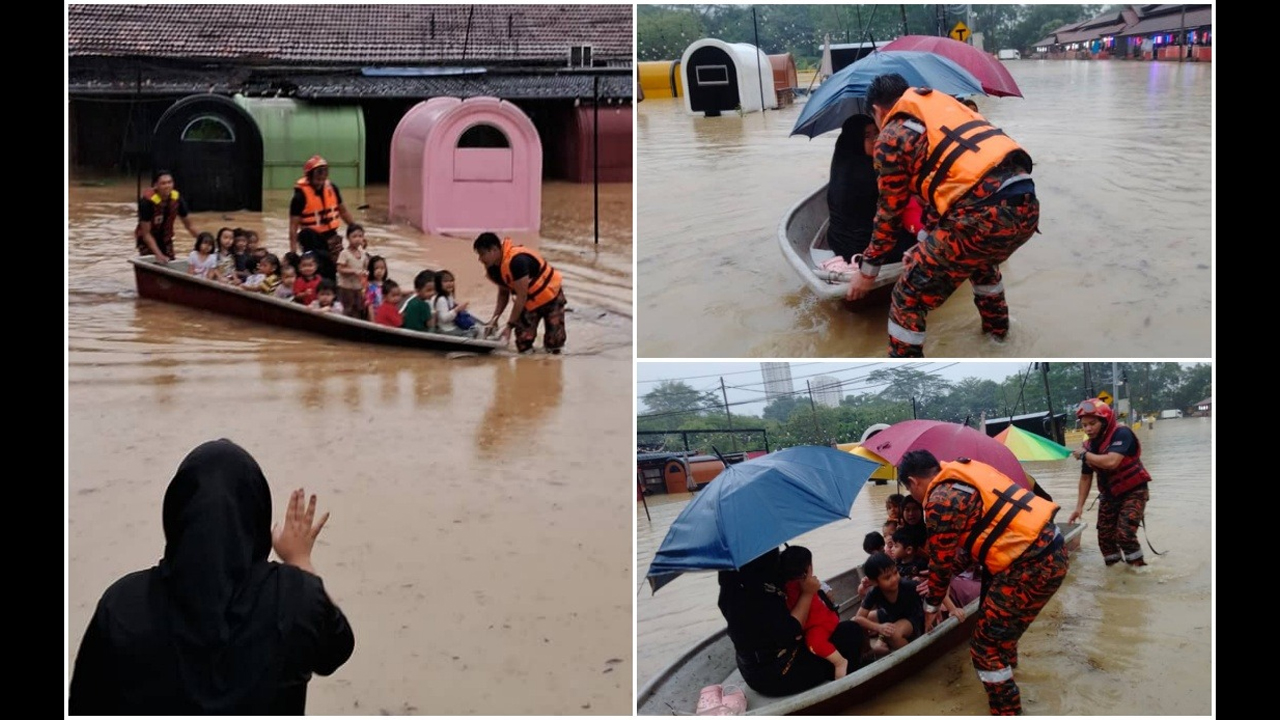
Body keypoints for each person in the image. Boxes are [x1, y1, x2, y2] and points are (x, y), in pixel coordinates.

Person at [68, 439, 354, 714]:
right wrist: (299, 560)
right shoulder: (296, 597)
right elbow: (335, 652)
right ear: (257, 515)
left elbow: (83, 705)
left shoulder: (122, 605)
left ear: (177, 513)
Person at [846, 74, 1040, 358]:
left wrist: (867, 272)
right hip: (1026, 205)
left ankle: (905, 368)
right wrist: (924, 243)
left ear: (877, 110)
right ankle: (999, 338)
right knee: (980, 261)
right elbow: (953, 187)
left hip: (979, 217)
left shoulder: (891, 135)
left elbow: (889, 212)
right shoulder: (947, 110)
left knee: (907, 296)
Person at [897, 449, 1067, 715]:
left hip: (1030, 564)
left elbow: (940, 566)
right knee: (1001, 637)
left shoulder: (939, 499)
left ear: (913, 482)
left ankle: (1007, 711)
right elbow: (979, 543)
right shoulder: (963, 474)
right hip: (1050, 550)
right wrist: (941, 576)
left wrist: (931, 607)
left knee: (984, 647)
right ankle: (1011, 680)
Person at [717, 548, 867, 697]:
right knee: (851, 632)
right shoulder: (758, 595)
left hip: (751, 666)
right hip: (777, 672)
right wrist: (808, 593)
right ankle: (850, 692)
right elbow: (791, 632)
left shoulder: (733, 583)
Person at [825, 114, 920, 268]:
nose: (875, 139)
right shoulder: (870, 174)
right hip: (863, 247)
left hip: (837, 241)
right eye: (867, 136)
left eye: (877, 133)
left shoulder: (842, 162)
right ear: (854, 140)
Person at [1068, 398, 1152, 568]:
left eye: (1092, 423)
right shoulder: (1088, 446)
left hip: (1133, 491)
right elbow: (1085, 478)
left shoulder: (1122, 434)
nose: (1088, 429)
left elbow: (1112, 462)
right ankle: (1115, 574)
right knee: (1105, 538)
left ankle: (1139, 571)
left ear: (1105, 422)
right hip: (1109, 495)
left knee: (1125, 534)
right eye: (1084, 425)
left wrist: (1084, 455)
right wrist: (1078, 507)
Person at [474, 232, 567, 353]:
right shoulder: (493, 268)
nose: (480, 259)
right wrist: (494, 319)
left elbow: (521, 296)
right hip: (529, 301)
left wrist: (509, 326)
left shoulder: (517, 262)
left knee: (555, 342)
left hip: (551, 297)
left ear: (494, 250)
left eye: (482, 254)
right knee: (523, 342)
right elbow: (503, 293)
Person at [779, 545, 849, 679]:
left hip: (821, 624)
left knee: (814, 643)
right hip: (812, 623)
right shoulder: (790, 587)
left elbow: (828, 593)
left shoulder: (808, 583)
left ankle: (840, 662)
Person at [288, 155, 355, 281]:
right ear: (309, 175)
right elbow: (293, 227)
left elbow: (343, 211)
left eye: (325, 171)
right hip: (312, 239)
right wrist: (293, 252)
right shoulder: (299, 197)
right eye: (318, 172)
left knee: (337, 268)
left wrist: (355, 230)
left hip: (332, 236)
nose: (322, 176)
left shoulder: (332, 188)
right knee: (317, 270)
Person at [853, 552, 926, 657]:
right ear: (874, 582)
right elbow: (858, 618)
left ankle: (913, 657)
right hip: (890, 616)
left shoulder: (908, 585)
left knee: (893, 634)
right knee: (854, 624)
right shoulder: (874, 591)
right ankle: (868, 651)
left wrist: (949, 609)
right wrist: (878, 627)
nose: (894, 579)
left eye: (895, 572)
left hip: (913, 620)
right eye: (887, 578)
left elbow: (932, 591)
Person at [136, 169, 199, 263]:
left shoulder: (177, 200)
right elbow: (146, 234)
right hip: (147, 242)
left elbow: (189, 226)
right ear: (155, 186)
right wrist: (158, 254)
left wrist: (205, 240)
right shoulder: (146, 203)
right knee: (153, 264)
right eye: (163, 183)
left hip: (166, 240)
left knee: (170, 263)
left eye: (170, 182)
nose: (167, 186)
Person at [335, 224, 369, 320]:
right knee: (347, 309)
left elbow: (364, 268)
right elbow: (340, 269)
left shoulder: (363, 253)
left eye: (360, 236)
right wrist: (354, 271)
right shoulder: (344, 253)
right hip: (346, 287)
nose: (357, 239)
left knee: (358, 309)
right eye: (354, 236)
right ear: (348, 238)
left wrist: (365, 273)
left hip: (358, 287)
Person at [433, 269, 479, 336]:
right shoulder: (441, 299)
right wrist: (457, 310)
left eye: (451, 281)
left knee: (474, 328)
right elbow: (444, 318)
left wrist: (459, 307)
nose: (449, 283)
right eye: (445, 281)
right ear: (438, 284)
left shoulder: (449, 296)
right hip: (446, 329)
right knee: (473, 332)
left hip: (453, 325)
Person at [364, 255, 390, 322]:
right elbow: (370, 306)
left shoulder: (386, 284)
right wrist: (373, 322)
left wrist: (411, 291)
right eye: (376, 268)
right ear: (371, 270)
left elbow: (396, 292)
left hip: (385, 315)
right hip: (375, 316)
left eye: (382, 268)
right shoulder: (370, 286)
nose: (379, 271)